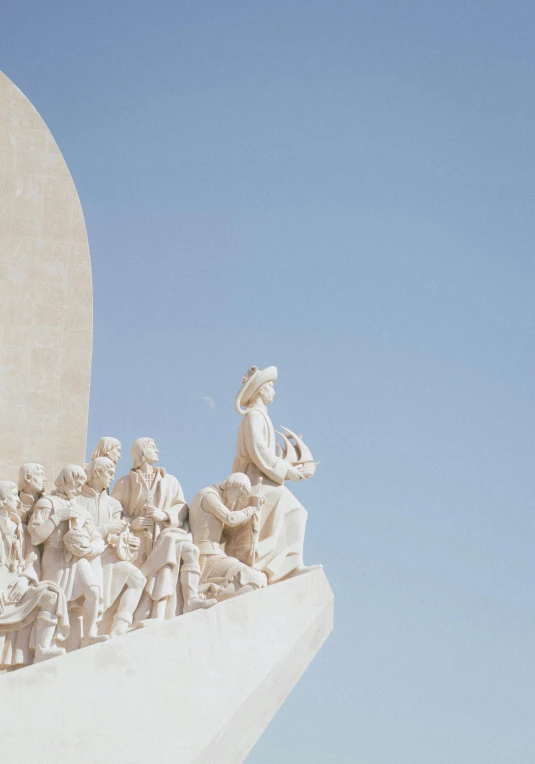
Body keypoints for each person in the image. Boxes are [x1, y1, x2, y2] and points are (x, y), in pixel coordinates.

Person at [229, 365, 320, 583]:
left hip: (266, 478)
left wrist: (292, 467)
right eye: (271, 387)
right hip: (254, 481)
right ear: (260, 389)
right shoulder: (253, 416)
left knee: (295, 511)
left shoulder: (261, 416)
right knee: (295, 510)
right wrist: (287, 471)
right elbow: (258, 451)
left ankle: (286, 564)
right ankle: (282, 565)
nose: (274, 391)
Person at [112, 438, 216, 622]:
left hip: (166, 534)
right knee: (156, 567)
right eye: (152, 447)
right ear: (141, 453)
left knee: (190, 550)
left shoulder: (170, 481)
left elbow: (181, 507)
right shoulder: (124, 483)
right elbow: (112, 513)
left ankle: (190, 599)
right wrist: (132, 523)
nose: (157, 450)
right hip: (139, 544)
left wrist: (165, 515)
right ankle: (151, 614)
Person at [28, 465, 108, 648]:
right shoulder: (47, 503)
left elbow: (95, 537)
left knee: (94, 591)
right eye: (76, 484)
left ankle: (88, 636)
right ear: (65, 481)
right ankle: (45, 647)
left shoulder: (79, 509)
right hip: (54, 556)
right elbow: (35, 536)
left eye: (82, 484)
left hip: (76, 557)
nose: (79, 488)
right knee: (55, 601)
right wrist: (58, 517)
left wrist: (89, 548)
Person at [0, 482, 69, 668]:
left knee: (51, 596)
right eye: (14, 496)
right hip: (2, 586)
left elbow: (32, 559)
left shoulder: (21, 530)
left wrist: (25, 578)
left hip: (17, 584)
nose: (18, 500)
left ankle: (42, 650)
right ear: (2, 500)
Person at [78, 457, 145, 637]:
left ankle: (119, 627)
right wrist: (105, 529)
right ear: (97, 472)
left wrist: (130, 543)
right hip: (87, 558)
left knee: (138, 580)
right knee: (93, 592)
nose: (112, 477)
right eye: (109, 473)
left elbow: (119, 537)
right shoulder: (78, 500)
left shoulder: (113, 504)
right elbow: (77, 536)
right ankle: (89, 632)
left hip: (108, 559)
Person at [189, 472, 267, 600]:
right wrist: (252, 508)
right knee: (253, 580)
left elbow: (227, 531)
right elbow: (230, 518)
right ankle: (205, 594)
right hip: (207, 555)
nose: (238, 497)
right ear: (232, 484)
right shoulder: (209, 495)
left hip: (215, 554)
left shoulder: (218, 498)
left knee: (259, 580)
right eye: (240, 492)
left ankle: (208, 592)